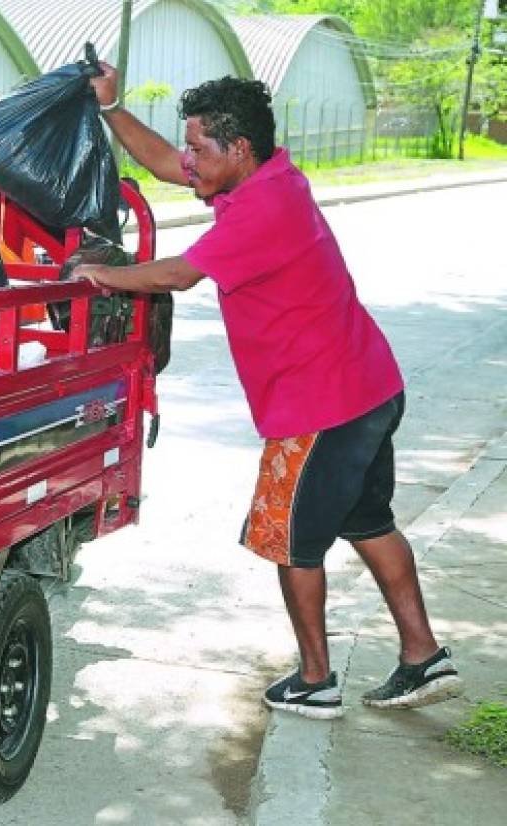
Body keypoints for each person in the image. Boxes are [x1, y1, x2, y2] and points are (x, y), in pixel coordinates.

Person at [75, 66, 463, 720]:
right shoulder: (267, 178)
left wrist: (101, 275)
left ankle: (316, 679)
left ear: (239, 151)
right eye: (190, 145)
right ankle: (424, 657)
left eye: (199, 149)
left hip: (322, 409)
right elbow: (169, 163)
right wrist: (111, 108)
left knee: (290, 543)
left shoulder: (264, 208)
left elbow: (178, 274)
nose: (187, 160)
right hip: (367, 386)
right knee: (370, 524)